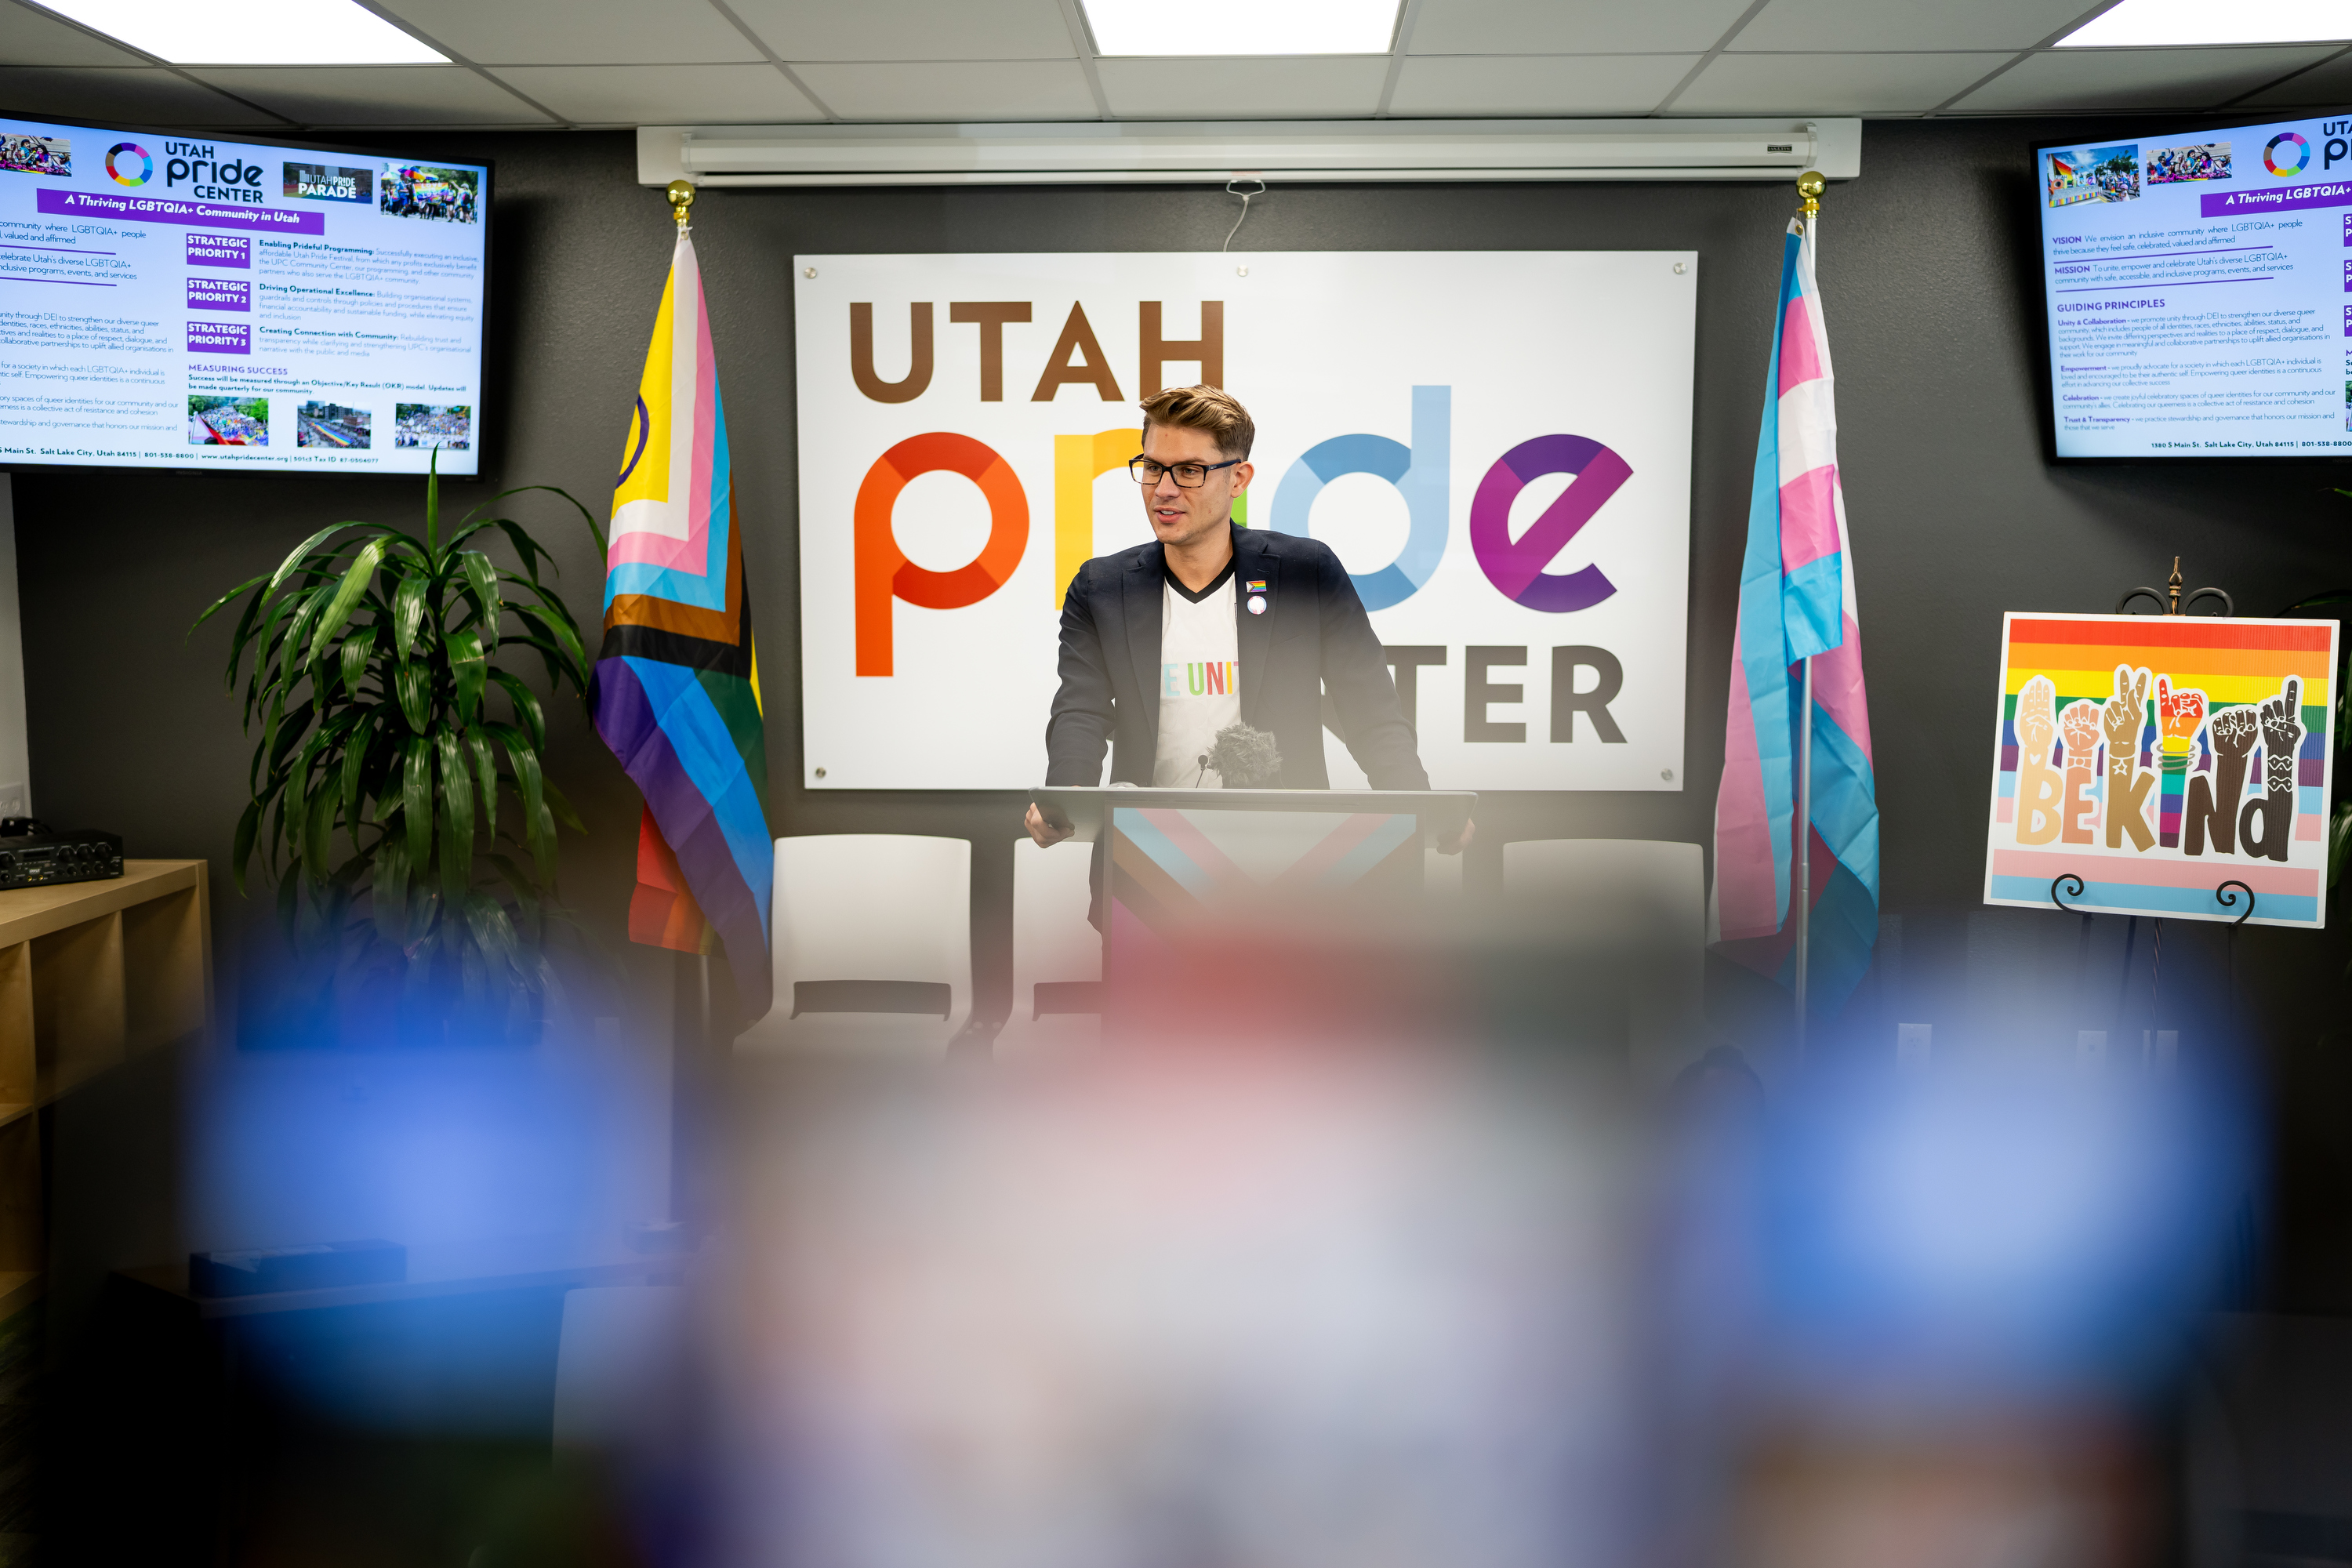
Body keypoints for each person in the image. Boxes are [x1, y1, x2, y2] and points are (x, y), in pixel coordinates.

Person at [1025, 383, 1471, 854]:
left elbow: (1369, 709)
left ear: (1238, 479)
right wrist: (1067, 795)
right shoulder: (1101, 587)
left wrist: (1423, 808)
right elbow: (1082, 708)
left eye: (1190, 471)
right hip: (1146, 859)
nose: (1164, 489)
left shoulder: (1305, 573)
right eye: (1153, 467)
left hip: (1292, 858)